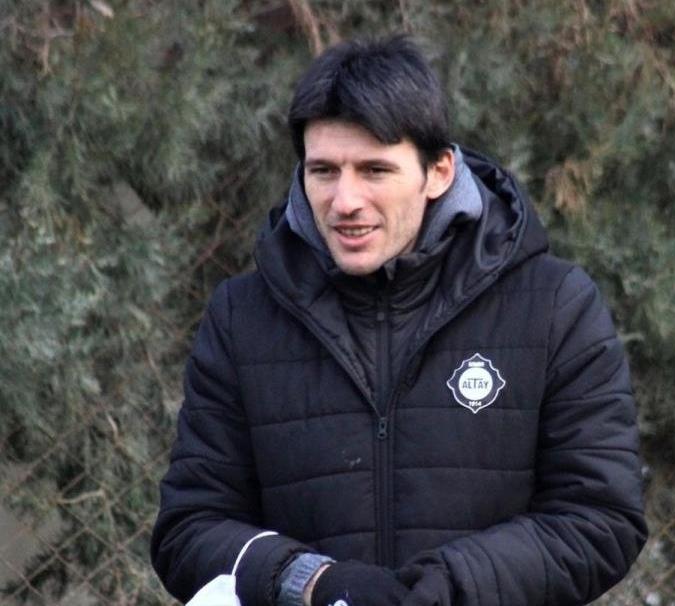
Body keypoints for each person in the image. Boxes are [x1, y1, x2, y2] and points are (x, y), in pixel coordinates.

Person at [151, 35, 647, 606]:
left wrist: (456, 584)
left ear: (438, 171)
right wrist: (309, 582)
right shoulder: (243, 317)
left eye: (375, 170)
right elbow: (189, 529)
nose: (345, 200)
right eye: (323, 171)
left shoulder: (554, 305)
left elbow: (601, 518)